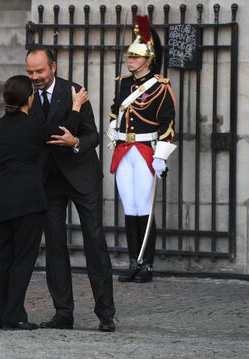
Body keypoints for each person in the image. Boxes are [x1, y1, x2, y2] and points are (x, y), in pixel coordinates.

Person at [0, 49, 115, 332]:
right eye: (30, 72)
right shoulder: (25, 95)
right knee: (54, 246)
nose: (34, 77)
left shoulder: (74, 92)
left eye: (39, 71)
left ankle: (105, 313)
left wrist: (75, 141)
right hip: (47, 183)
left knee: (94, 241)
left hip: (81, 177)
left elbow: (94, 135)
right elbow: (11, 123)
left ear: (53, 67)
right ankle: (63, 313)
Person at [0, 75, 48, 330]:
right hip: (28, 204)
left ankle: (3, 316)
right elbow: (61, 132)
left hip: (0, 204)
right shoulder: (36, 126)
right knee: (23, 261)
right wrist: (77, 107)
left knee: (3, 262)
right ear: (28, 100)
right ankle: (14, 316)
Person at [108, 16, 176, 283]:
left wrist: (161, 157)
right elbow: (116, 110)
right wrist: (114, 127)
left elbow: (168, 125)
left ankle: (146, 264)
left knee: (145, 208)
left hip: (147, 150)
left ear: (148, 59)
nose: (130, 60)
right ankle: (132, 261)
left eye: (136, 57)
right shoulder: (123, 83)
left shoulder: (160, 86)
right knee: (130, 207)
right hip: (125, 149)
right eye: (129, 56)